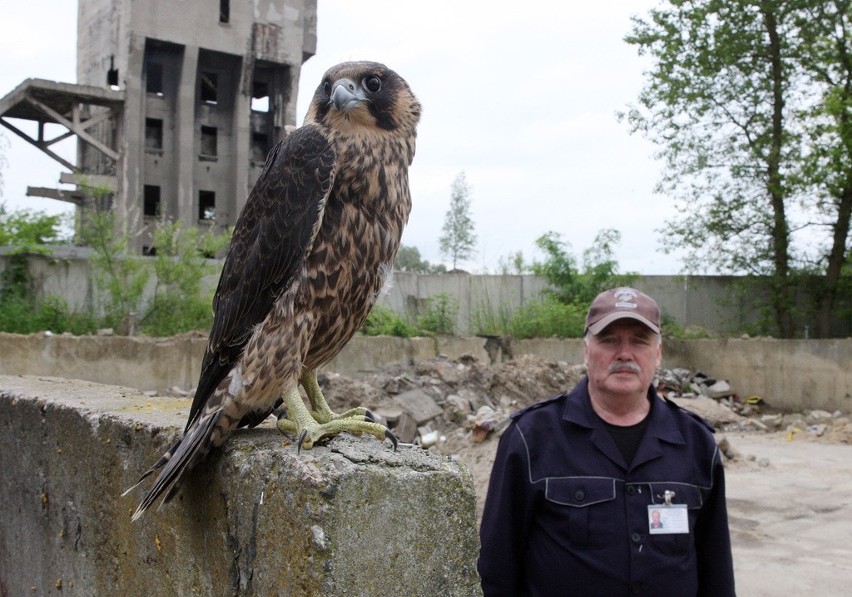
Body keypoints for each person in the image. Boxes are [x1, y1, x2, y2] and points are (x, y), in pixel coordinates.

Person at [478, 287, 736, 596]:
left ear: (658, 353)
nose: (624, 353)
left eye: (639, 340)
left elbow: (716, 571)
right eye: (609, 339)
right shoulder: (531, 438)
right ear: (587, 351)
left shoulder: (696, 444)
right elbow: (496, 569)